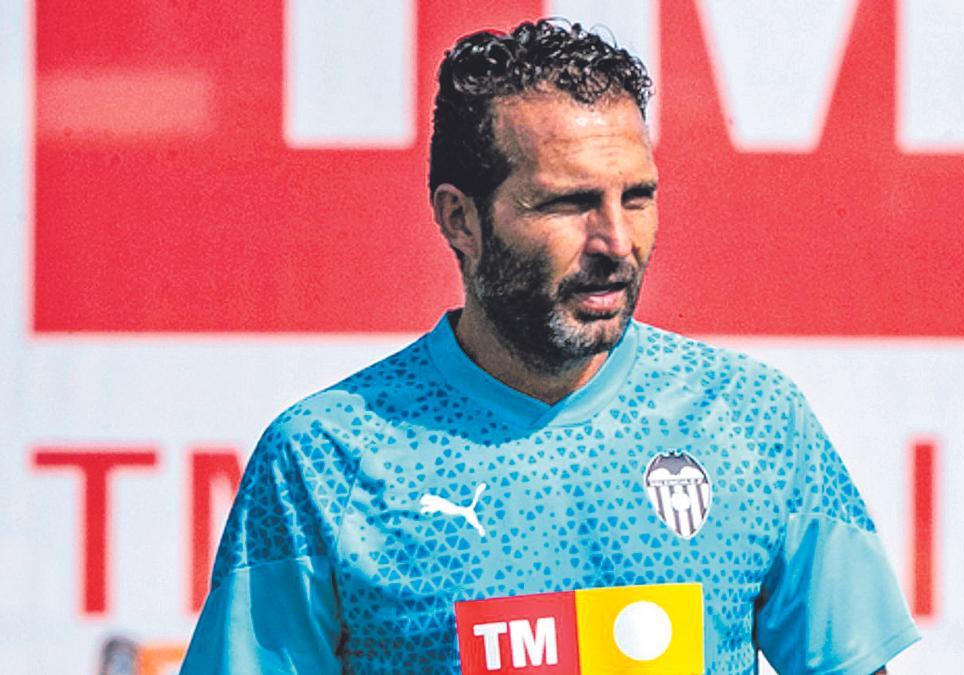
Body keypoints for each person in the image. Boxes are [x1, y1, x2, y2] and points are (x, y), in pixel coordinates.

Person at [181, 19, 919, 674]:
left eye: (636, 197)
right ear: (459, 219)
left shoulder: (753, 420)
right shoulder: (322, 458)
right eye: (567, 203)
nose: (616, 243)